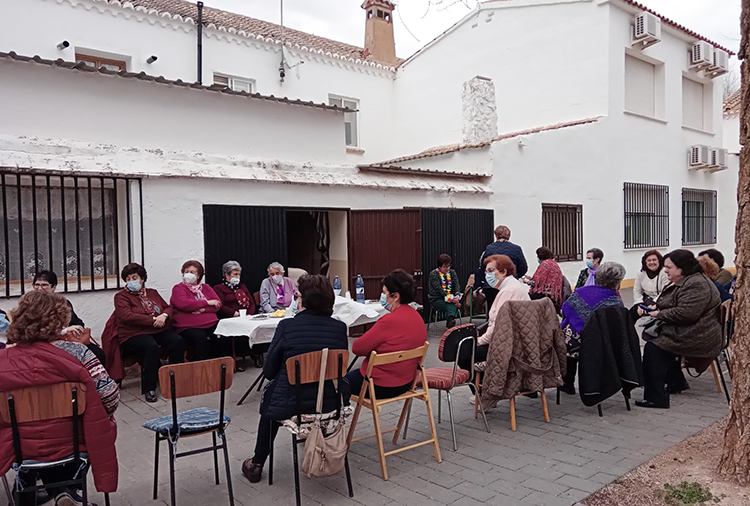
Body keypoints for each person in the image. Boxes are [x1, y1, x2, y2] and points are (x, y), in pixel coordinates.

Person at [0, 291, 119, 506]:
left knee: (27, 446)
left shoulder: (3, 361)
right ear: (61, 319)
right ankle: (67, 491)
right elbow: (110, 397)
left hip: (19, 448)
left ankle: (33, 494)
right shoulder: (80, 353)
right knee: (99, 426)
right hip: (73, 442)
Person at [241, 275, 348, 484]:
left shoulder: (287, 326)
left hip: (293, 404)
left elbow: (269, 371)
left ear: (303, 301)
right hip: (330, 401)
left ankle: (257, 462)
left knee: (270, 409)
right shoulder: (339, 328)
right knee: (279, 399)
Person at [636, 249, 722, 409]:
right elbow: (677, 303)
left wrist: (658, 313)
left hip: (698, 335)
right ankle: (676, 383)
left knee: (654, 348)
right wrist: (655, 307)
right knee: (658, 340)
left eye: (669, 267)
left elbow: (686, 313)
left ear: (682, 267)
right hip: (694, 329)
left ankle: (657, 398)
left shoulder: (696, 283)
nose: (665, 270)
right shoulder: (689, 280)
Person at [110, 263, 185, 403]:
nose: (131, 281)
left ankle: (175, 381)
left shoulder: (152, 292)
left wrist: (164, 316)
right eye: (128, 279)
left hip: (157, 329)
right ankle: (149, 388)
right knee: (150, 346)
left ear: (142, 279)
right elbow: (126, 316)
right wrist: (152, 319)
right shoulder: (121, 297)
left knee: (177, 341)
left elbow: (168, 307)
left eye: (134, 277)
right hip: (132, 334)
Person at [346, 269, 426, 400]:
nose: (382, 297)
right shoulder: (417, 318)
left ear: (396, 296)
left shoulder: (389, 321)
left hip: (378, 384)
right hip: (406, 382)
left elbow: (357, 348)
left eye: (384, 293)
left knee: (337, 385)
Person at [559, 262, 626, 394]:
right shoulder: (617, 301)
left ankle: (567, 383)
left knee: (569, 334)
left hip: (578, 344)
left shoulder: (582, 292)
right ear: (618, 282)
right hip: (604, 345)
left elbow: (564, 310)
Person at [32, 270, 106, 365]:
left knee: (98, 354)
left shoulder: (63, 303)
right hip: (46, 342)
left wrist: (77, 329)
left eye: (44, 285)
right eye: (37, 285)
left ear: (53, 287)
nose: (40, 288)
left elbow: (77, 321)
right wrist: (65, 330)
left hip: (67, 339)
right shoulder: (30, 305)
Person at [171, 260, 222, 361]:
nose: (188, 274)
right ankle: (200, 367)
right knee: (199, 338)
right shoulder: (178, 288)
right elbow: (184, 304)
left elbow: (217, 304)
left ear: (198, 276)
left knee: (222, 335)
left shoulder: (206, 288)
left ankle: (218, 365)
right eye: (186, 271)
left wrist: (202, 310)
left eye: (192, 272)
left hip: (210, 322)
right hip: (187, 325)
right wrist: (206, 303)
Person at [474, 226, 528, 309]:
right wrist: (514, 275)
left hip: (491, 285)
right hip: (509, 283)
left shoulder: (489, 248)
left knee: (493, 308)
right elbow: (523, 267)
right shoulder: (516, 249)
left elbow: (483, 266)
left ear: (496, 235)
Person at [629, 250, 669, 322]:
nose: (652, 262)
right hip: (646, 300)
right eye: (649, 260)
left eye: (654, 260)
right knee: (630, 315)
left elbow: (665, 291)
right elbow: (637, 290)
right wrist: (639, 305)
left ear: (659, 261)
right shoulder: (641, 273)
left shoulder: (664, 272)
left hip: (661, 301)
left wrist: (654, 304)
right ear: (645, 262)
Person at [428, 253, 462, 328]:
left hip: (451, 296)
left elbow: (456, 285)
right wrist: (450, 298)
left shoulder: (452, 273)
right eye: (444, 266)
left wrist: (457, 295)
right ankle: (451, 318)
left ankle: (450, 319)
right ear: (439, 266)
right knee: (451, 304)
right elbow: (439, 289)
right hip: (437, 298)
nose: (447, 269)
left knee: (451, 302)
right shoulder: (434, 274)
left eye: (448, 266)